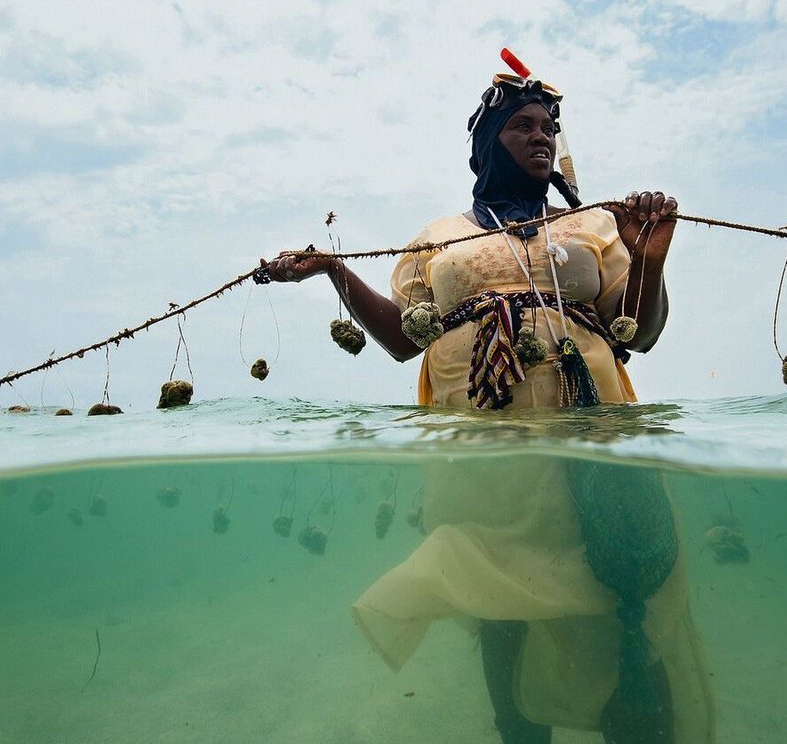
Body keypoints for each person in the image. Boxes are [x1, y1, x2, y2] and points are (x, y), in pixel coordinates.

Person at [262, 72, 714, 743]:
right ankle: (517, 730)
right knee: (495, 606)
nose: (540, 138)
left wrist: (650, 256)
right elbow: (399, 341)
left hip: (587, 431)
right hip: (479, 440)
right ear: (486, 145)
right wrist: (334, 270)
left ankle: (636, 719)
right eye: (523, 127)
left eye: (548, 128)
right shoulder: (436, 237)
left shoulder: (592, 224)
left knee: (616, 580)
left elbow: (638, 336)